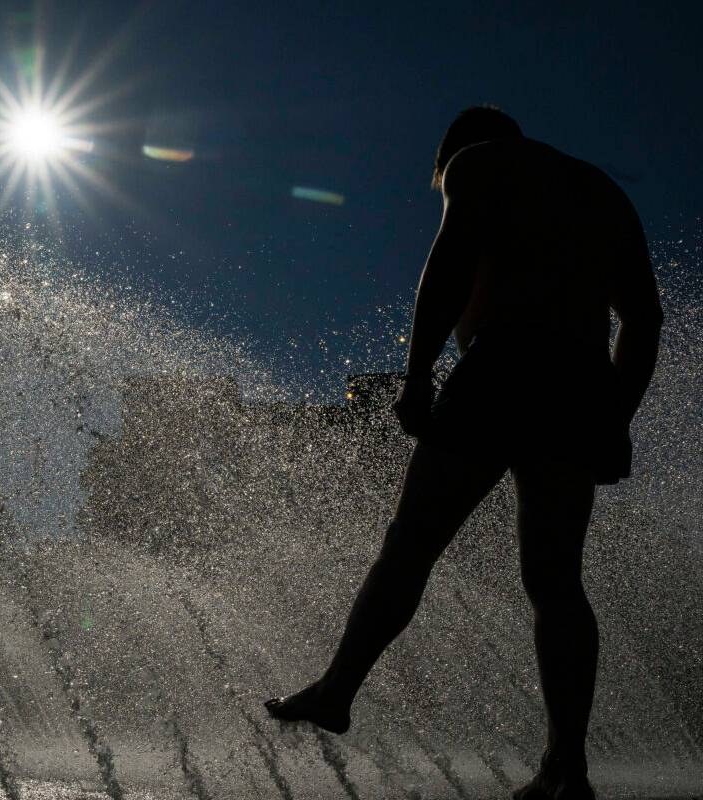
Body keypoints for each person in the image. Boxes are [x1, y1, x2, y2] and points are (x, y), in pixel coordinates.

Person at [264, 106, 663, 800]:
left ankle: (337, 690)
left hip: (503, 369)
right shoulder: (603, 191)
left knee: (410, 544)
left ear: (456, 149)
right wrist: (615, 418)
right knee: (556, 580)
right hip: (578, 384)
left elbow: (449, 262)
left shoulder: (479, 164)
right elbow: (645, 318)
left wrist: (419, 376)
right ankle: (567, 766)